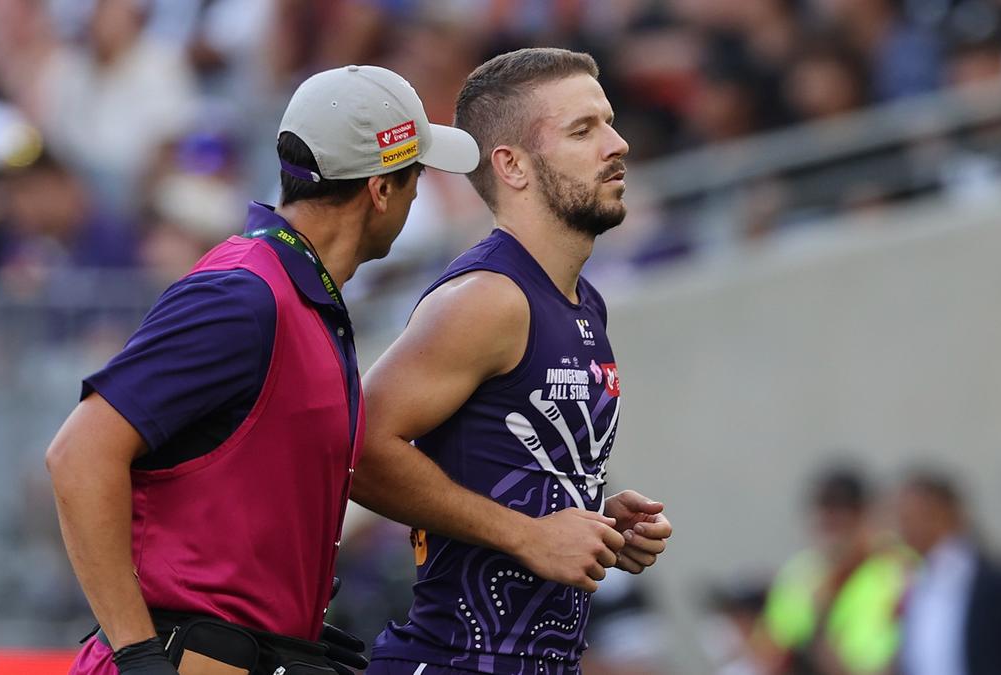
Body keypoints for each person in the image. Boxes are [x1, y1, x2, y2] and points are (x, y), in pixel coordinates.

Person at [45, 64, 479, 675]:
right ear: (381, 190)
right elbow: (78, 455)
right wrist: (138, 654)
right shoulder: (244, 297)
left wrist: (287, 624)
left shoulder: (294, 295)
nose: (416, 198)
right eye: (415, 180)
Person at [350, 48, 674, 675]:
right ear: (512, 166)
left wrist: (595, 525)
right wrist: (529, 535)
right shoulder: (487, 299)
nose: (618, 143)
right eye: (584, 130)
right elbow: (354, 446)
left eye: (607, 121)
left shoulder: (584, 304)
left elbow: (505, 469)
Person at [759, 465, 912, 675]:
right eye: (824, 511)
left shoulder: (900, 568)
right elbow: (770, 652)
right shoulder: (799, 573)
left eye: (844, 512)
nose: (831, 523)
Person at [895, 468, 1001, 675]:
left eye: (911, 516)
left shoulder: (994, 581)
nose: (903, 527)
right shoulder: (915, 577)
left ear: (944, 514)